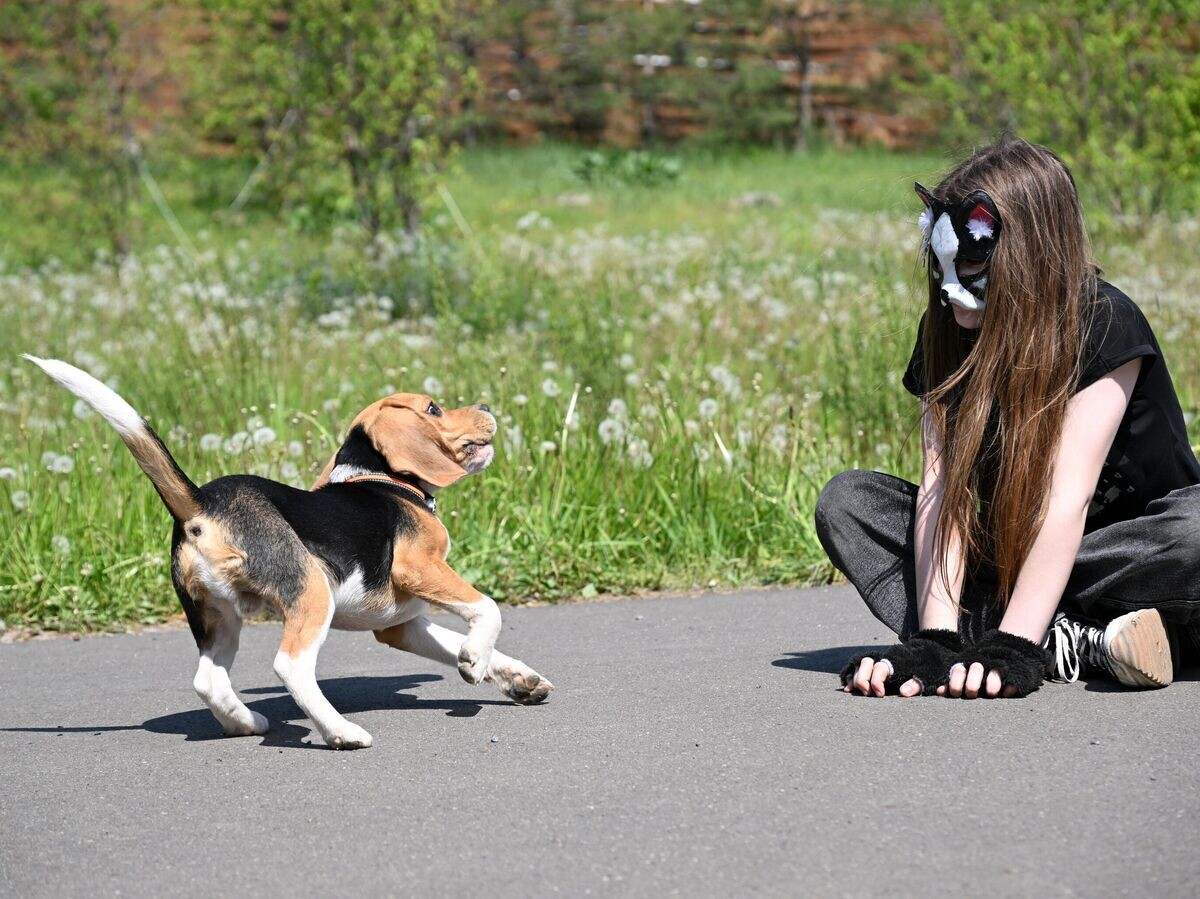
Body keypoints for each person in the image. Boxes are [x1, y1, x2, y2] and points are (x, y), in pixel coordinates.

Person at [814, 137, 1200, 699]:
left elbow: (1065, 500)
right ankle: (1082, 641)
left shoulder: (1103, 321)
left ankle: (1034, 633)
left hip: (1124, 553)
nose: (949, 287)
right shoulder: (946, 329)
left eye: (969, 263)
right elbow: (942, 491)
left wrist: (1013, 643)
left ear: (1032, 253)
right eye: (941, 264)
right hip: (1010, 556)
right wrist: (936, 640)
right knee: (849, 503)